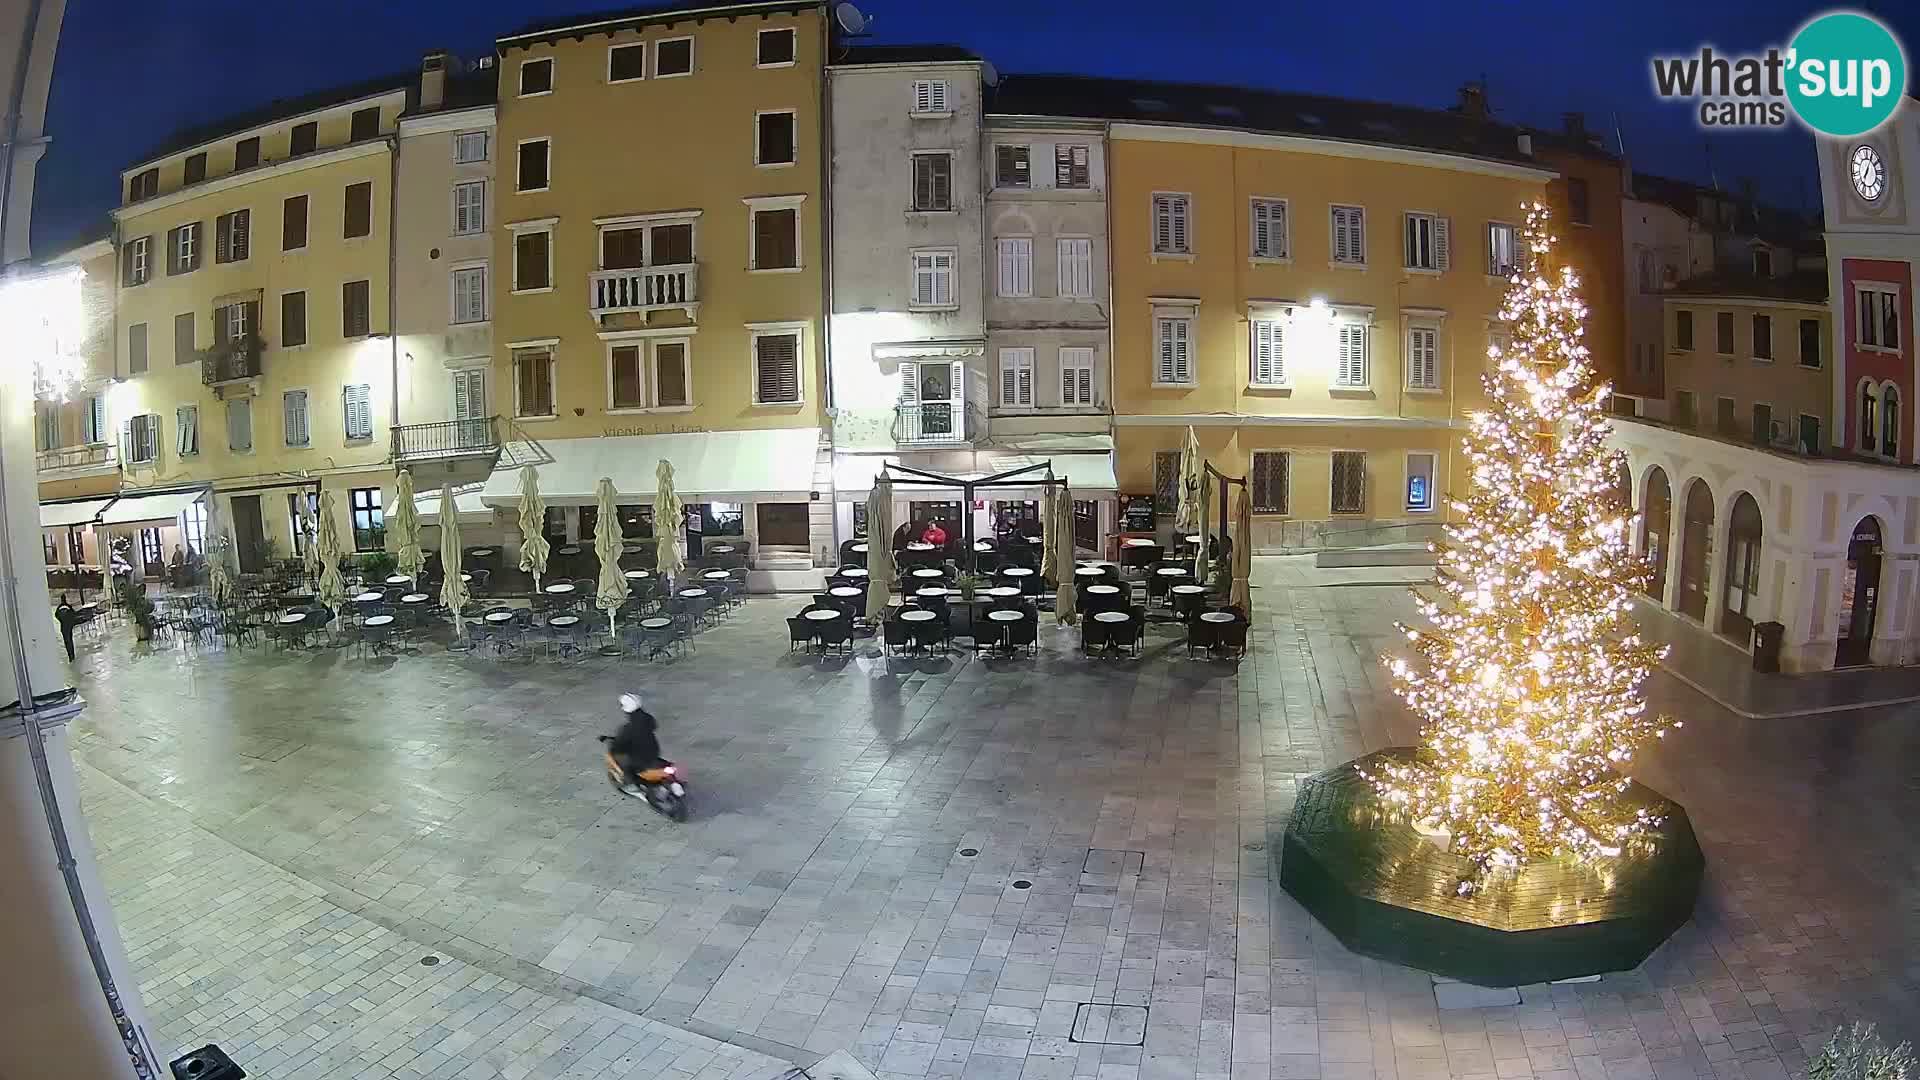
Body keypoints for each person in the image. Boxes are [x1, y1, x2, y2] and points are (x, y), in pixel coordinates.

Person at [604, 692, 663, 794]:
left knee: (625, 764)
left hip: (641, 758)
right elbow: (654, 726)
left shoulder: (627, 729)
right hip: (654, 750)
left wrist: (614, 747)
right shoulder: (648, 718)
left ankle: (633, 785)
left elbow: (619, 745)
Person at [54, 593, 80, 662]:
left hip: (63, 627)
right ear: (65, 599)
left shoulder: (59, 607)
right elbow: (73, 614)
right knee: (70, 641)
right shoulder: (68, 606)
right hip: (69, 626)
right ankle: (72, 655)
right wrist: (70, 620)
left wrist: (61, 620)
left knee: (66, 642)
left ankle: (70, 656)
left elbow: (56, 615)